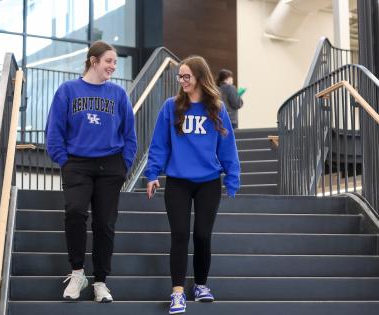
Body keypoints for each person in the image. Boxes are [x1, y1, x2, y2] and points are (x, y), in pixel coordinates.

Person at [144, 56, 240, 314]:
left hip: (208, 182)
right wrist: (152, 174)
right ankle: (177, 293)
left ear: (199, 77)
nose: (182, 81)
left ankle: (200, 285)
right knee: (179, 235)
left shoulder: (216, 108)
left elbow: (227, 146)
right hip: (178, 182)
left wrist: (232, 177)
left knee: (202, 235)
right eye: (180, 77)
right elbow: (159, 145)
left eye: (186, 76)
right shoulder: (171, 107)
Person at [45, 40, 137, 303]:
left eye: (115, 62)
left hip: (110, 166)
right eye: (108, 61)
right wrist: (64, 160)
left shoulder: (118, 94)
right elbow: (54, 131)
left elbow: (130, 135)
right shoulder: (68, 91)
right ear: (93, 61)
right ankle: (77, 273)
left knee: (104, 224)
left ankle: (100, 282)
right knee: (74, 212)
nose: (112, 66)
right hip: (77, 164)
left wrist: (124, 164)